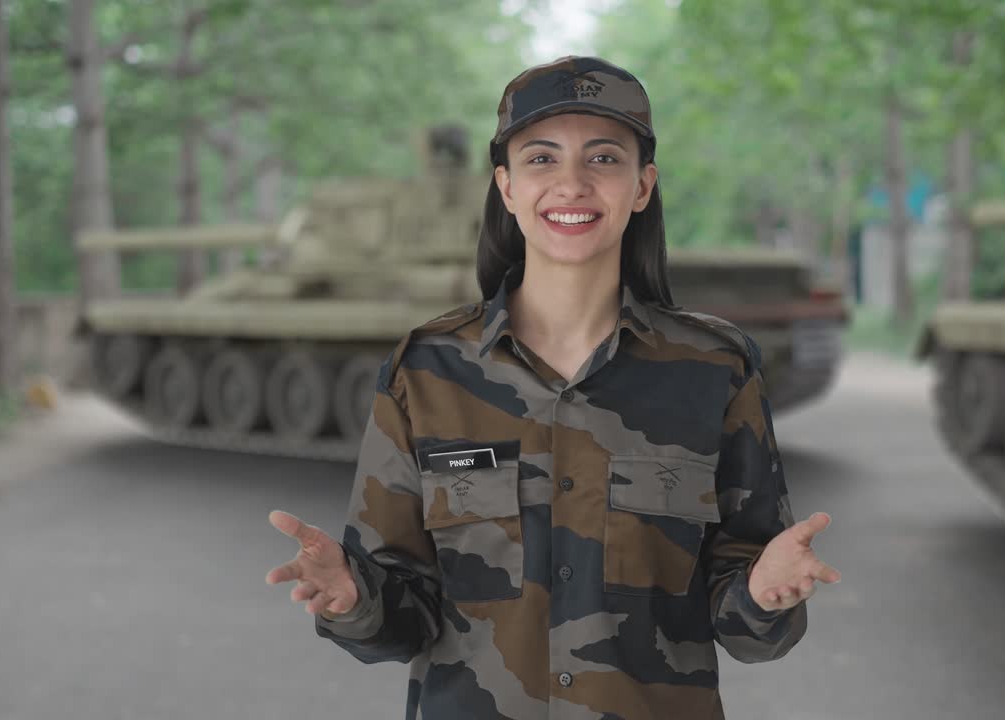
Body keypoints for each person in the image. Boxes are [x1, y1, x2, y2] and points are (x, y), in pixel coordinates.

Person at [266, 56, 841, 720]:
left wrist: (765, 596)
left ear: (642, 186)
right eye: (542, 159)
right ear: (506, 187)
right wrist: (352, 597)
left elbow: (743, 621)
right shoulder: (425, 372)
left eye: (603, 159)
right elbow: (403, 618)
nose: (572, 183)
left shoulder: (716, 369)